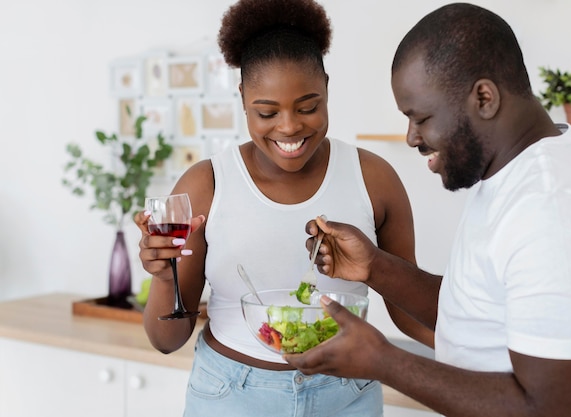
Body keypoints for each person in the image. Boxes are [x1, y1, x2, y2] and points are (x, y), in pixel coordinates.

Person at [284, 3, 571, 417]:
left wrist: (383, 361)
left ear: (484, 97)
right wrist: (373, 267)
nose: (411, 137)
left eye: (421, 117)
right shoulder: (510, 177)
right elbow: (474, 313)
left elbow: (559, 409)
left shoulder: (552, 211)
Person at [134, 0, 432, 416]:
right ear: (242, 99)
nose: (290, 127)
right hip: (231, 396)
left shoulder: (374, 178)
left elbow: (411, 313)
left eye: (308, 107)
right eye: (267, 112)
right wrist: (163, 277)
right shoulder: (206, 185)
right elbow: (166, 340)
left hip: (348, 396)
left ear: (327, 88)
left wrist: (504, 350)